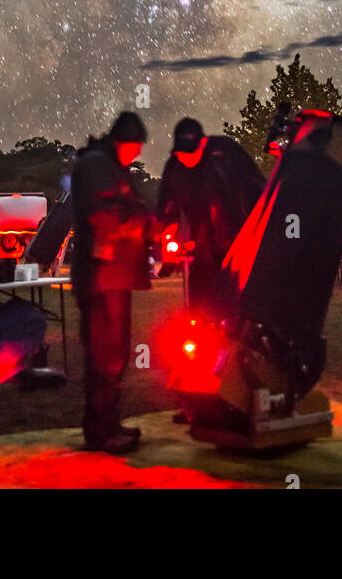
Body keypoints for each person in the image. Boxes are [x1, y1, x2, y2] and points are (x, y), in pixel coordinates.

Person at [70, 109, 154, 454]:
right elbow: (105, 216)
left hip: (114, 277)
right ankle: (101, 432)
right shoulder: (96, 166)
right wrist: (142, 226)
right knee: (106, 356)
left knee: (114, 354)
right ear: (125, 142)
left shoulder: (108, 167)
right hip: (101, 277)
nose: (137, 155)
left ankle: (108, 424)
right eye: (135, 147)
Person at [157, 118, 265, 317]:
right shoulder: (175, 169)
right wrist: (169, 253)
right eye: (181, 154)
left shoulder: (226, 154)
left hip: (238, 239)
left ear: (204, 143)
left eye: (191, 153)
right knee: (201, 303)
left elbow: (256, 186)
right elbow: (166, 212)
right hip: (203, 245)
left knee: (236, 303)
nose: (186, 159)